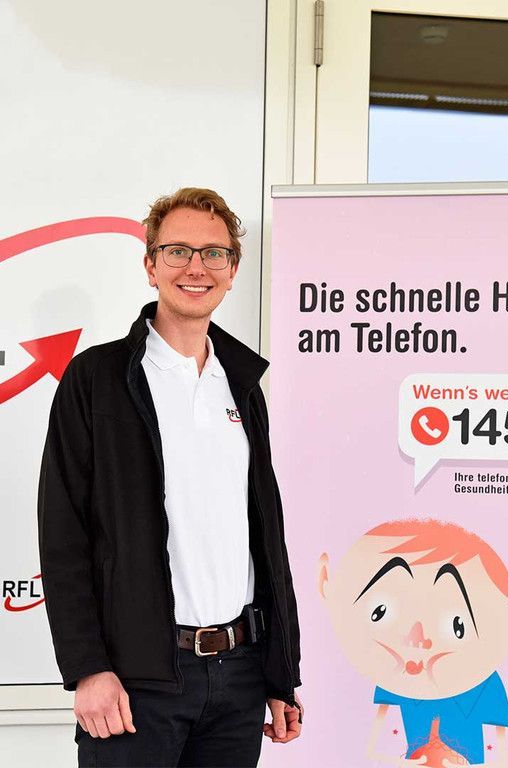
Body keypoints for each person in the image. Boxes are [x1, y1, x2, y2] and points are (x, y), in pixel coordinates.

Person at [38, 188, 302, 767]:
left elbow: (265, 536)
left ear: (232, 271)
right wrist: (87, 668)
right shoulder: (97, 379)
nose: (195, 267)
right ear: (150, 265)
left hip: (239, 675)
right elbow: (63, 536)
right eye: (178, 251)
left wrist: (280, 671)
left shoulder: (242, 385)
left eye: (214, 253)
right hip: (136, 682)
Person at [319, 518, 508, 766]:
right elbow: (377, 749)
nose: (416, 639)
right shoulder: (395, 679)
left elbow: (500, 759)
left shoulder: (486, 685)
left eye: (458, 626)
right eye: (381, 611)